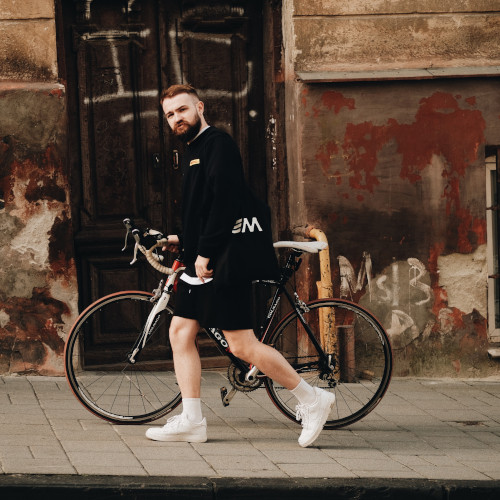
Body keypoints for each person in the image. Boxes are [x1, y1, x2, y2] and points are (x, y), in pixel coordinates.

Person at [145, 84, 335, 447]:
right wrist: (181, 240)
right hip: (201, 262)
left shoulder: (218, 144)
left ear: (199, 107)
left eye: (182, 110)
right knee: (180, 333)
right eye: (170, 114)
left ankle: (313, 399)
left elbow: (226, 203)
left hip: (221, 263)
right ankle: (193, 420)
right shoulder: (193, 151)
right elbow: (201, 210)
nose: (176, 119)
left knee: (242, 345)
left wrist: (205, 253)